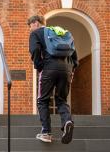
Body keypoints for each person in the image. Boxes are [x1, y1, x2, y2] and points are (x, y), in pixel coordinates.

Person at [27, 15, 78, 144]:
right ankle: (67, 121)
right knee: (61, 99)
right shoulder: (61, 32)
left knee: (42, 100)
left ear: (36, 23)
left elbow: (35, 50)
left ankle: (46, 133)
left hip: (48, 68)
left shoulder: (36, 33)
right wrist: (71, 68)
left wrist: (39, 66)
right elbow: (74, 54)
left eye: (30, 26)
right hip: (66, 69)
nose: (30, 29)